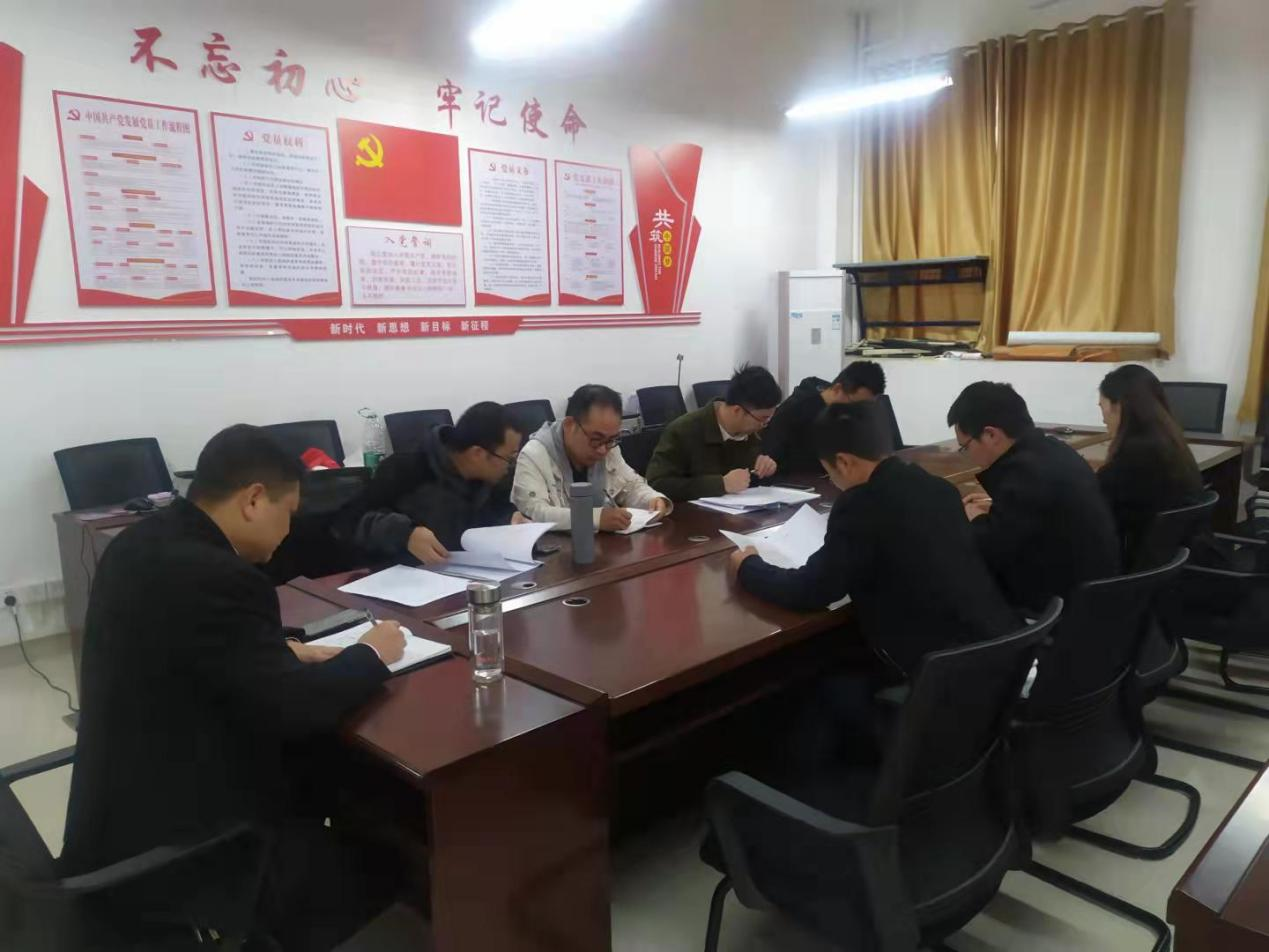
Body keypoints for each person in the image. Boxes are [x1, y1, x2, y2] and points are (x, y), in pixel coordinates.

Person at [61, 424, 407, 949]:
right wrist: (371, 653)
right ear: (253, 500)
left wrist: (277, 649)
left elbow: (186, 645)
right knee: (387, 850)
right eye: (287, 513)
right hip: (188, 849)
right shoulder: (221, 576)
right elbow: (293, 709)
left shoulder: (141, 543)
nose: (288, 530)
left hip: (116, 813)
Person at [731, 401, 1019, 677]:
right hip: (1000, 648)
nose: (834, 481)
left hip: (941, 671)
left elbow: (812, 591)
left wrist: (749, 566)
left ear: (843, 462)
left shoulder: (860, 505)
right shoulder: (937, 487)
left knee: (822, 680)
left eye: (829, 473)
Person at [947, 381, 1120, 613]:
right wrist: (995, 509)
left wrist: (974, 518)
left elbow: (991, 551)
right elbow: (1033, 519)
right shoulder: (1054, 450)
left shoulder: (1025, 475)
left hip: (1064, 611)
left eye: (965, 447)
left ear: (990, 434)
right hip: (1100, 596)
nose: (967, 455)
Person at [348, 401, 523, 564]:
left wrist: (511, 519)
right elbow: (350, 522)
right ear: (477, 454)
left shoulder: (492, 477)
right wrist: (405, 534)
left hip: (473, 574)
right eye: (509, 459)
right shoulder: (405, 469)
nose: (511, 466)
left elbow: (500, 510)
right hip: (409, 577)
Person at [512, 384, 672, 531]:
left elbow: (630, 485)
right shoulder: (534, 455)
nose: (603, 450)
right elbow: (535, 513)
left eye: (611, 439)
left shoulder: (608, 446)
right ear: (569, 425)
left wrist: (652, 499)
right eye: (595, 439)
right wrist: (593, 518)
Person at [1097, 365, 1203, 564]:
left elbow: (1095, 521)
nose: (1103, 419)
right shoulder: (1171, 446)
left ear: (1118, 406)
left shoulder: (1128, 464)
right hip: (1180, 563)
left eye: (1101, 407)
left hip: (1141, 571)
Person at [646, 363, 783, 501]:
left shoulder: (752, 433)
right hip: (693, 513)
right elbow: (657, 485)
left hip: (741, 510)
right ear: (737, 411)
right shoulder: (683, 431)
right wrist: (720, 484)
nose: (764, 425)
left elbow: (746, 483)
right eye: (763, 419)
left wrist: (766, 468)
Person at [762, 360, 887, 473]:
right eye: (856, 404)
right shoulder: (795, 411)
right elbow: (771, 459)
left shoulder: (846, 410)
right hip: (799, 482)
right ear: (837, 389)